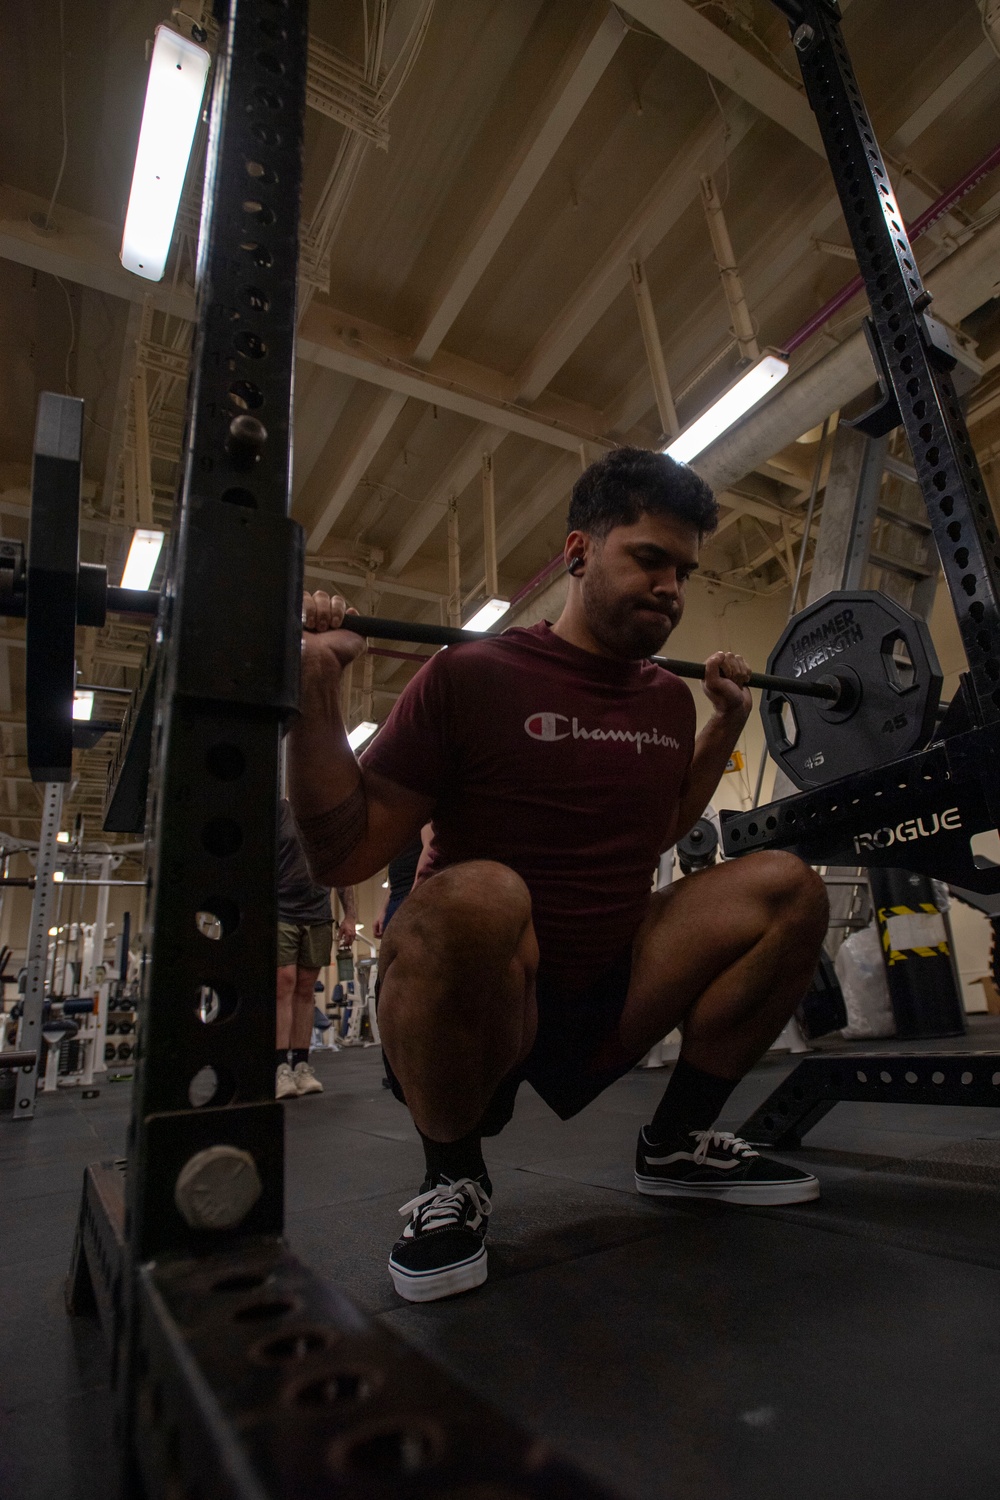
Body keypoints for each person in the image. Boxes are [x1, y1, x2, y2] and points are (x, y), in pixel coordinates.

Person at [289, 447, 829, 1302]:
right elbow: (342, 855)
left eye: (683, 571)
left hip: (611, 984)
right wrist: (317, 684)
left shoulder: (664, 698)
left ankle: (678, 1145)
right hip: (491, 994)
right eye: (648, 559)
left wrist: (725, 726)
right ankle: (451, 1179)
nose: (670, 589)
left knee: (788, 885)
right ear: (579, 551)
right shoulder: (471, 675)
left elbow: (658, 827)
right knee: (479, 891)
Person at [275, 796, 357, 1099]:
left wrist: (350, 916)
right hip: (281, 909)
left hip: (318, 913)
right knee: (284, 982)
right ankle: (280, 1068)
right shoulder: (281, 811)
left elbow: (340, 870)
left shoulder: (327, 817)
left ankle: (301, 1066)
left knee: (306, 989)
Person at [373, 824, 433, 938]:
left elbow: (429, 850)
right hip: (397, 898)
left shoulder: (423, 816)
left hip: (412, 896)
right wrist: (383, 910)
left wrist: (413, 893)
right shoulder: (401, 828)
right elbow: (395, 876)